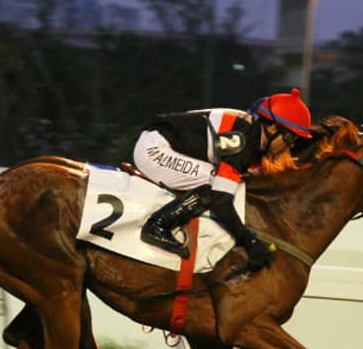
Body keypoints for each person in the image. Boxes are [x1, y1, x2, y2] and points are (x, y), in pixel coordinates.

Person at [133, 87, 314, 270]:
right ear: (273, 127)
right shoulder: (243, 142)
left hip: (161, 139)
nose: (289, 146)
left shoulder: (250, 130)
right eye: (290, 138)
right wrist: (249, 241)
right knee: (214, 186)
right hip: (154, 150)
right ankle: (157, 225)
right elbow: (221, 202)